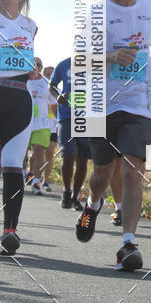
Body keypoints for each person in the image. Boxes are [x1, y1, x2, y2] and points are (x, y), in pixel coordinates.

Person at [74, 0, 151, 271]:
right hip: (102, 104)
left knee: (132, 170)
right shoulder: (96, 13)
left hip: (139, 103)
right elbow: (81, 59)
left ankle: (128, 244)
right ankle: (93, 203)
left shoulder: (150, 8)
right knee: (102, 173)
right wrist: (112, 56)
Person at [0, 0, 36, 255]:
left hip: (20, 98)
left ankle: (10, 230)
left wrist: (35, 65)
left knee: (13, 164)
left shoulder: (30, 25)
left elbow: (26, 62)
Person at [49, 57, 92, 211]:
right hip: (67, 115)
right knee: (69, 154)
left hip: (90, 117)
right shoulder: (64, 64)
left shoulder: (99, 63)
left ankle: (75, 196)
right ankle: (66, 191)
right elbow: (51, 86)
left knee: (83, 160)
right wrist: (57, 96)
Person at [26, 58, 51, 195]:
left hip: (41, 124)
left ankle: (36, 183)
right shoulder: (25, 81)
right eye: (32, 65)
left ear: (41, 67)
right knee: (23, 153)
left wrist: (58, 122)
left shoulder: (47, 83)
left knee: (38, 151)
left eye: (38, 65)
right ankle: (22, 174)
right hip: (24, 121)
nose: (35, 68)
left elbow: (53, 103)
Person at [42, 66, 58, 190]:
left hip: (53, 127)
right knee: (36, 154)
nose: (49, 77)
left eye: (51, 75)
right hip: (39, 126)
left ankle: (45, 181)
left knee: (50, 154)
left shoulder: (57, 90)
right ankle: (31, 173)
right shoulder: (39, 87)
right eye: (47, 74)